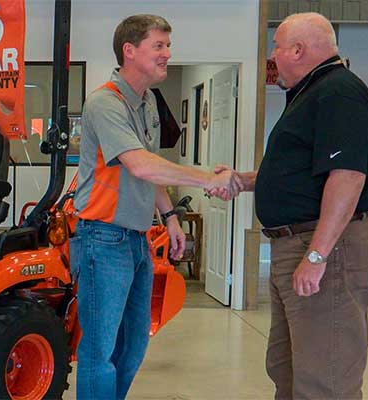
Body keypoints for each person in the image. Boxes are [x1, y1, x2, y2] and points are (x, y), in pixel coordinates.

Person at [212, 12, 368, 400]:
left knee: (326, 377)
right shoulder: (313, 93)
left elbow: (348, 177)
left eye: (275, 47)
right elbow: (306, 174)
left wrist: (318, 256)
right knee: (288, 366)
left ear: (297, 49)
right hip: (299, 244)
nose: (272, 57)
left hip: (325, 248)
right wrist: (245, 180)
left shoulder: (338, 92)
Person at [71, 14, 238, 399]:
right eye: (158, 46)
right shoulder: (104, 103)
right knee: (100, 352)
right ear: (130, 51)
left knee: (132, 348)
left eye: (167, 45)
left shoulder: (146, 103)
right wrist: (207, 179)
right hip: (103, 239)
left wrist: (171, 217)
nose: (167, 54)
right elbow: (140, 164)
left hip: (136, 240)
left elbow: (151, 168)